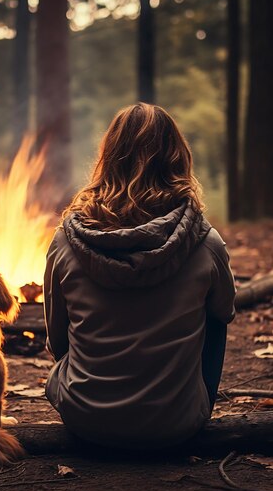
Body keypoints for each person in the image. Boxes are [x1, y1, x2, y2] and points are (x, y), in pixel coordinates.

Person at [43, 103, 235, 449]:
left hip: (86, 420)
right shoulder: (206, 243)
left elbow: (57, 341)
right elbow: (223, 315)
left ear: (108, 157)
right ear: (177, 158)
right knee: (218, 316)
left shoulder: (66, 241)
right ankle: (193, 403)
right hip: (176, 424)